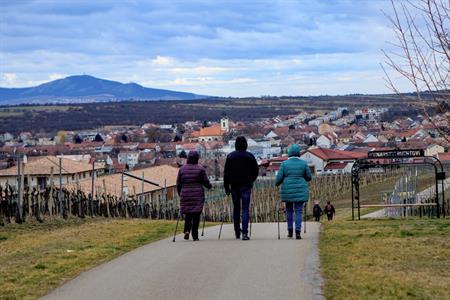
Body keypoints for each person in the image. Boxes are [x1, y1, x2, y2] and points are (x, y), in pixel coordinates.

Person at [223, 136, 259, 240]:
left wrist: (226, 187)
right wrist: (251, 180)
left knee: (236, 209)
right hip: (246, 186)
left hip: (234, 186)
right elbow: (255, 171)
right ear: (246, 145)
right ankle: (244, 233)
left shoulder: (230, 156)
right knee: (245, 209)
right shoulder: (250, 156)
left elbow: (226, 173)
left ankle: (237, 232)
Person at [275, 144, 312, 239]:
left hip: (287, 190)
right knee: (298, 211)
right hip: (300, 189)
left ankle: (290, 230)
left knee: (289, 210)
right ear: (298, 153)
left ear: (289, 153)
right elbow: (309, 177)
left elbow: (279, 178)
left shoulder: (284, 164)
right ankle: (298, 232)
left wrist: (277, 183)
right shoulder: (303, 163)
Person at [176, 151, 212, 241]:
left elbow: (178, 183)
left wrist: (180, 193)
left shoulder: (182, 169)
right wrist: (209, 186)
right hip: (197, 194)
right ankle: (195, 236)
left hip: (185, 194)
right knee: (196, 214)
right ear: (197, 159)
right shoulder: (200, 169)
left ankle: (187, 230)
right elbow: (205, 181)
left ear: (188, 158)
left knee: (188, 213)